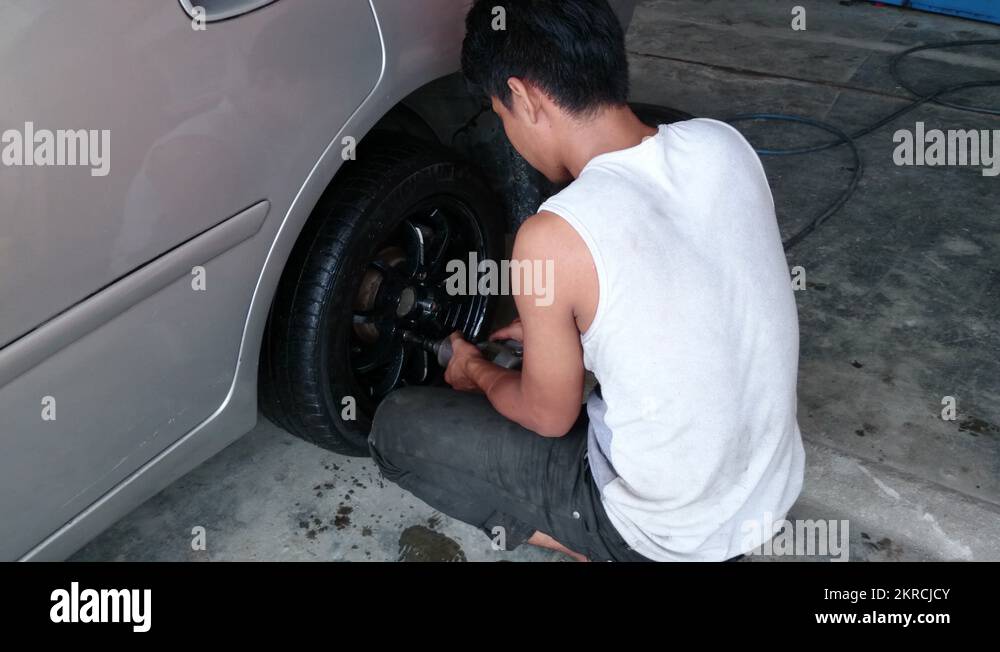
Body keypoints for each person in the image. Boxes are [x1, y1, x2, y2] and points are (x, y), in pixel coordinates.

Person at [369, 0, 805, 562]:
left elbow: (550, 418)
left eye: (499, 113)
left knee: (396, 430)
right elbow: (681, 287)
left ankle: (602, 546)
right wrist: (568, 329)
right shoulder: (723, 144)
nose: (506, 128)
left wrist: (473, 370)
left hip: (671, 530)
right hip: (771, 492)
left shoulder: (553, 237)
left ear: (523, 97)